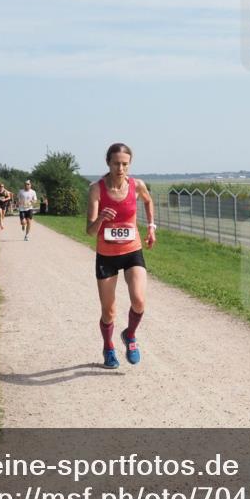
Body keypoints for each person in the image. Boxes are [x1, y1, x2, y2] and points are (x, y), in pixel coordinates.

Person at [86, 143, 156, 369]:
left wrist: (151, 227)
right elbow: (90, 231)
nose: (120, 168)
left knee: (139, 300)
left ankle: (130, 335)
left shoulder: (137, 185)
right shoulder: (96, 189)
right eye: (116, 163)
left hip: (132, 251)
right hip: (106, 256)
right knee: (109, 311)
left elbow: (148, 200)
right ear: (108, 162)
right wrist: (100, 218)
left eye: (125, 164)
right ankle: (108, 347)